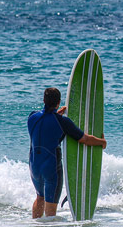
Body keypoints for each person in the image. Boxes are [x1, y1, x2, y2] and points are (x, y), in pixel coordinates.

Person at [27, 87, 106, 218]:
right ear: (58, 102)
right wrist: (101, 141)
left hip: (34, 165)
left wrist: (56, 115)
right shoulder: (62, 122)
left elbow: (46, 126)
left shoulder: (32, 117)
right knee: (51, 208)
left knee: (40, 197)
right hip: (51, 168)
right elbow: (84, 139)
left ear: (43, 100)